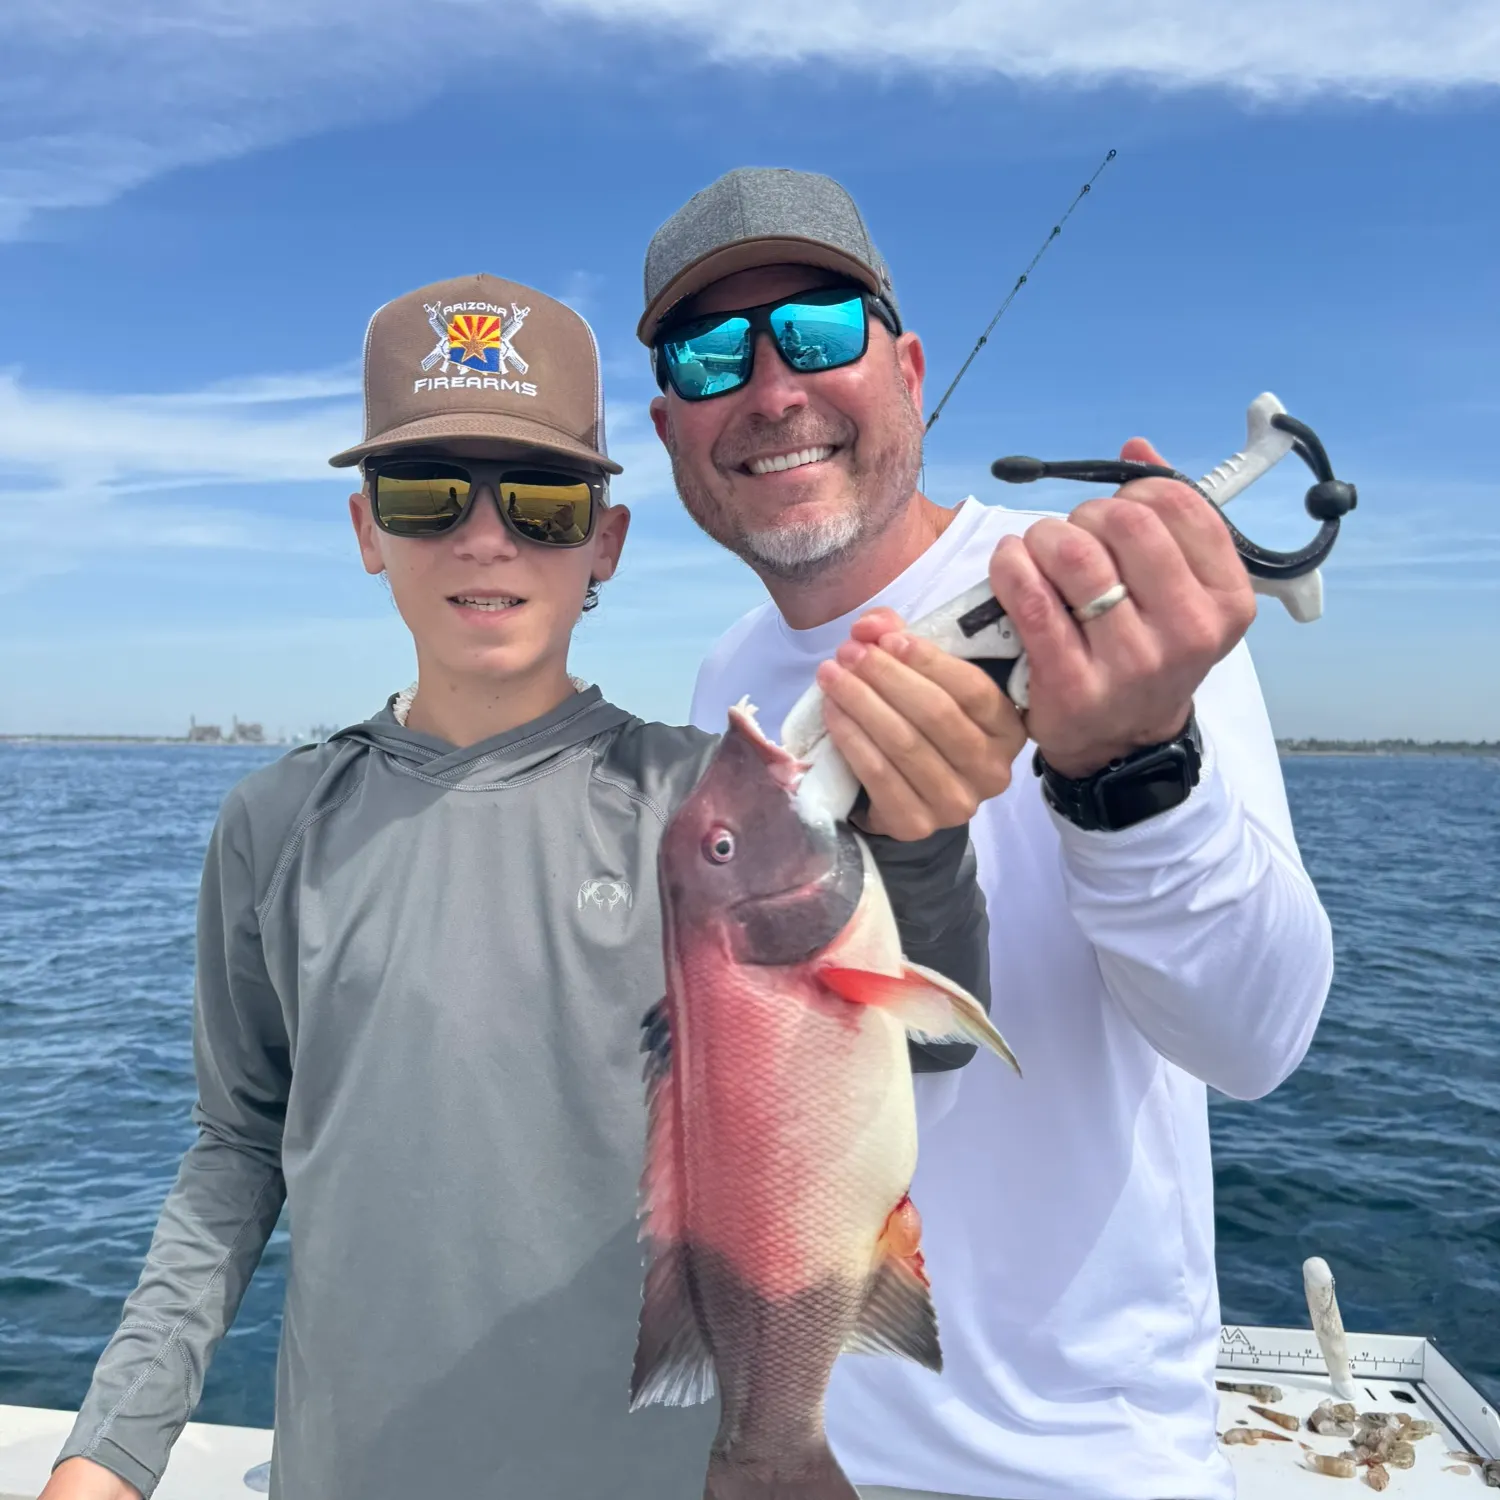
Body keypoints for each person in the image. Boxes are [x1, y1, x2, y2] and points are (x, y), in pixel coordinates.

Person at [41, 272, 1028, 1500]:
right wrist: (115, 1442)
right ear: (366, 529)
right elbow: (237, 1148)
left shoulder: (698, 812)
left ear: (605, 538)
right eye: (426, 493)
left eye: (546, 499)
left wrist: (926, 838)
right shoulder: (276, 821)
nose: (485, 535)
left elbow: (920, 1051)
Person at [639, 168, 1335, 1500]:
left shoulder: (1097, 605)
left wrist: (1127, 769)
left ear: (905, 368)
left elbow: (1260, 1039)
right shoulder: (728, 674)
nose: (773, 388)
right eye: (715, 353)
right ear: (673, 429)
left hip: (1083, 1465)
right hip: (814, 1433)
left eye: (823, 331)